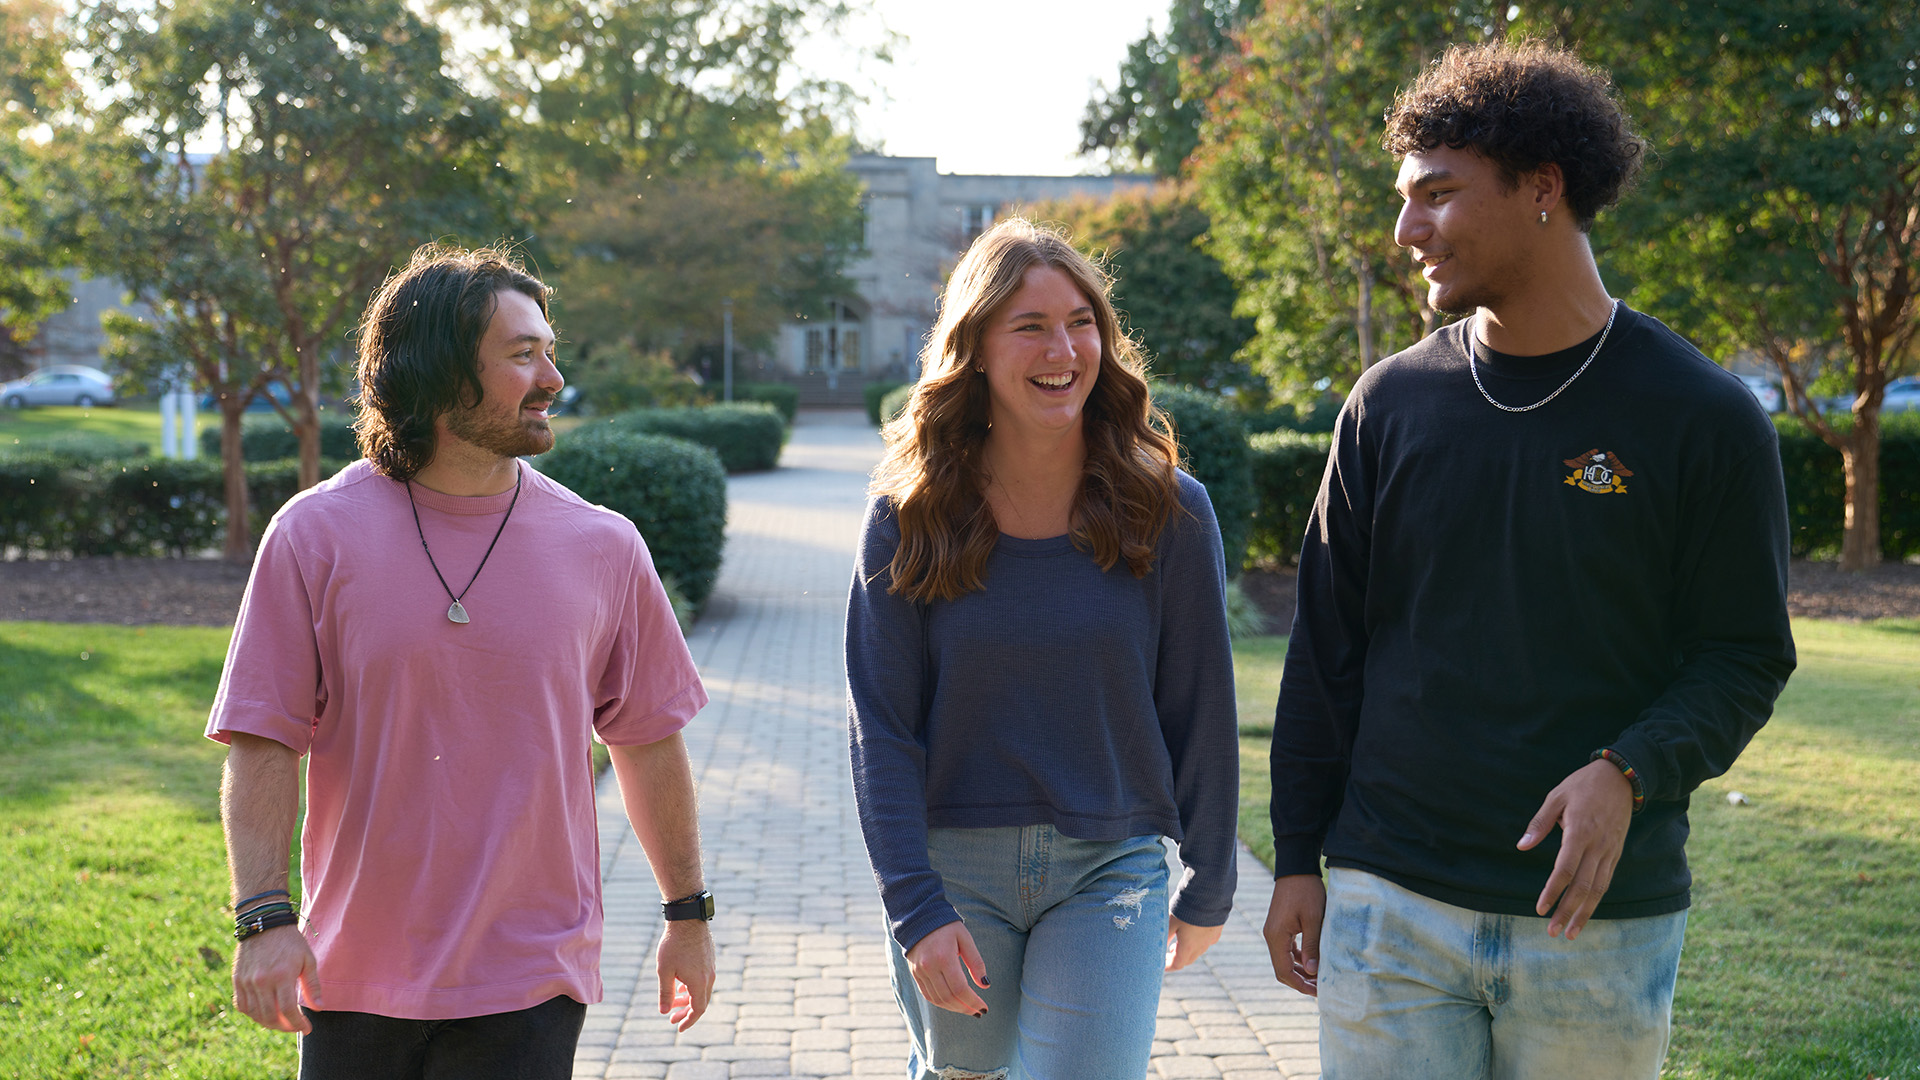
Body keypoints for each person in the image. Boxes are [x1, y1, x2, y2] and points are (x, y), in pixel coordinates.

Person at [1263, 41, 1796, 1078]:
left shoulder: (1703, 417)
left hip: (1592, 924)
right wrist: (1295, 857)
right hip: (1391, 903)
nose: (1406, 231)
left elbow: (1743, 655)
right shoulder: (1389, 404)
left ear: (1542, 188)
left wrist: (1627, 770)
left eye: (1436, 196)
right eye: (1404, 200)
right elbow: (1326, 650)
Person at [208, 244, 717, 1079]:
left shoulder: (602, 545)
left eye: (550, 351)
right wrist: (263, 918)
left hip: (530, 976)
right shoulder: (314, 535)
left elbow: (648, 738)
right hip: (352, 974)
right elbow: (264, 738)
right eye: (523, 355)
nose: (552, 378)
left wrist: (687, 917)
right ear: (439, 373)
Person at [845, 217, 1240, 1080]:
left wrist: (1211, 877)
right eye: (1029, 326)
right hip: (954, 874)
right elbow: (881, 731)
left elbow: (1202, 704)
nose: (1063, 347)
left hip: (1112, 871)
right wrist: (916, 907)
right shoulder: (906, 519)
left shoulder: (1170, 510)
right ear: (976, 349)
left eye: (1081, 322)